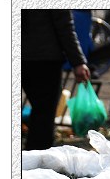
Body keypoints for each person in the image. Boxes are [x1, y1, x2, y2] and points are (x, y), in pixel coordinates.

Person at [21, 9, 91, 150]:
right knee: (43, 114)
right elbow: (64, 26)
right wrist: (78, 62)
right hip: (45, 58)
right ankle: (37, 158)